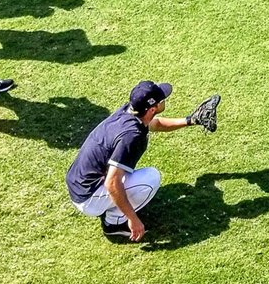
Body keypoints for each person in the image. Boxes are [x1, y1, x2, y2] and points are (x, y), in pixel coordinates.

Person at [66, 81, 218, 241]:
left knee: (126, 178)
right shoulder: (131, 136)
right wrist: (133, 219)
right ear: (152, 109)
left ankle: (113, 208)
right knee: (151, 178)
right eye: (162, 100)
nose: (165, 99)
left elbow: (155, 123)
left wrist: (190, 120)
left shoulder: (129, 111)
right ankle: (114, 224)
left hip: (79, 181)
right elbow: (112, 182)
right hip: (87, 196)